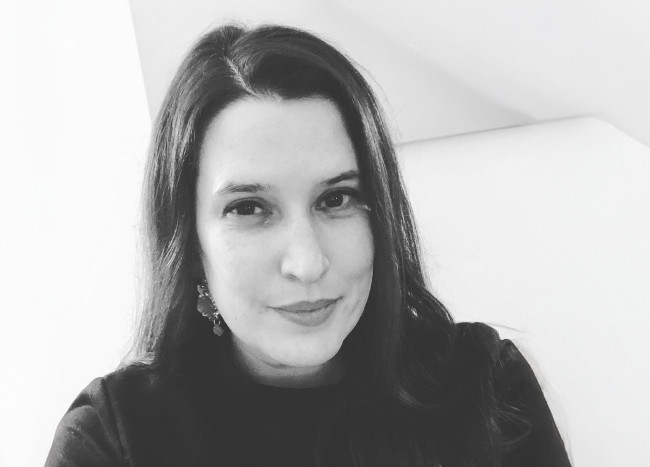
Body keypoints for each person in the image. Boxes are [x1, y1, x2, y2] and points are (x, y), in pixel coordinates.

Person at [45, 24, 571, 467]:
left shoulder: (485, 391)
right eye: (249, 208)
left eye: (336, 199)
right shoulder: (115, 440)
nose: (308, 262)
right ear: (189, 240)